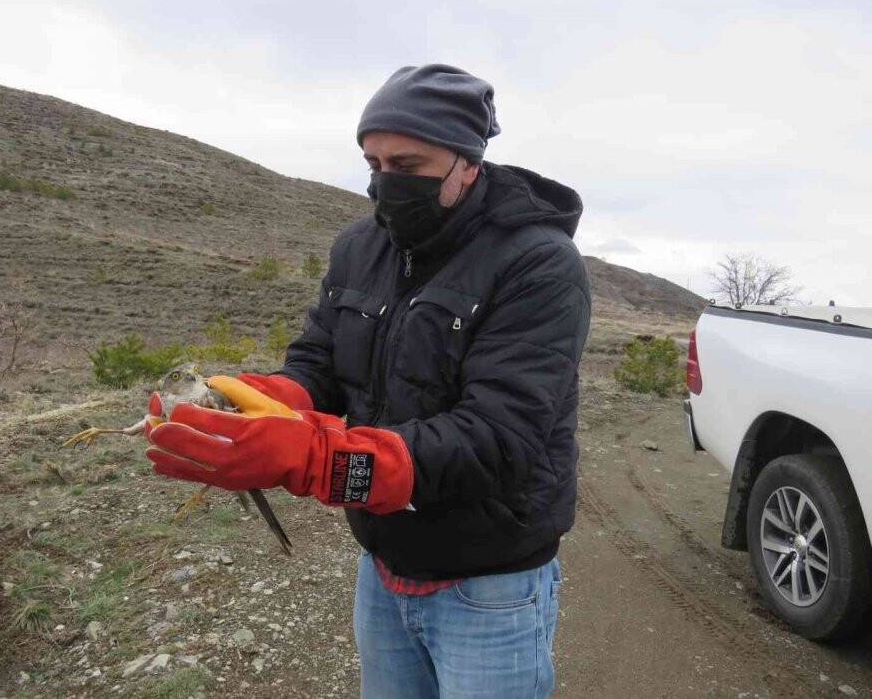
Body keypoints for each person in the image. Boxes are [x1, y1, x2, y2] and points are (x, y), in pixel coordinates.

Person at [144, 63, 591, 698]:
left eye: (406, 167)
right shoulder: (361, 245)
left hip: (490, 580)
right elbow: (318, 363)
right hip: (382, 563)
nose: (385, 184)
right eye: (373, 163)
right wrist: (263, 402)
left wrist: (323, 460)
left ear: (468, 162)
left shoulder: (539, 263)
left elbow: (499, 438)